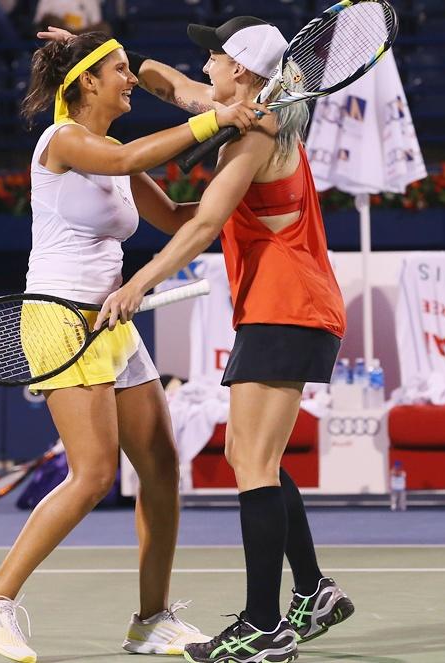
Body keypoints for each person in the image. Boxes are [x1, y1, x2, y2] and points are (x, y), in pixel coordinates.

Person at [0, 30, 267, 663]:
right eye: (119, 69)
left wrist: (247, 165)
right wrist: (217, 117)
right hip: (58, 318)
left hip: (111, 321)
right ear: (88, 82)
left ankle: (151, 621)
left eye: (129, 67)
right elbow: (128, 163)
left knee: (160, 469)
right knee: (93, 474)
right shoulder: (63, 141)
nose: (130, 79)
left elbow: (181, 219)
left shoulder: (119, 150)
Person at [92, 16, 355, 663]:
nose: (205, 62)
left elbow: (205, 221)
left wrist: (138, 285)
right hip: (278, 306)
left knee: (254, 464)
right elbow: (169, 82)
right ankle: (315, 590)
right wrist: (111, 58)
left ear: (239, 66)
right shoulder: (238, 106)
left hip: (286, 305)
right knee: (250, 452)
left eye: (214, 54)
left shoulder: (261, 130)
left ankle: (265, 625)